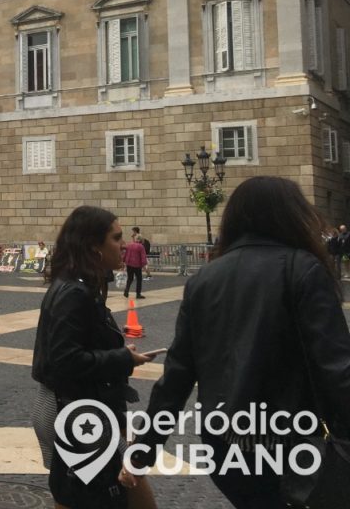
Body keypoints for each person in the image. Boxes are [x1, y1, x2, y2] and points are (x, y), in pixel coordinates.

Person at [121, 177, 350, 508]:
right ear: (291, 215)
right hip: (290, 444)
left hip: (224, 447)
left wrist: (143, 451)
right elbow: (337, 368)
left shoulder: (203, 279)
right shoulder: (303, 269)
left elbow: (177, 376)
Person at [31, 205, 155, 509]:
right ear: (93, 247)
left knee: (74, 496)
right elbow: (65, 362)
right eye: (116, 238)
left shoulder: (80, 288)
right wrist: (123, 359)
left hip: (86, 412)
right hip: (79, 416)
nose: (124, 245)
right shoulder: (74, 293)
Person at [122, 230, 147, 299]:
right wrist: (144, 265)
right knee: (139, 279)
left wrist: (123, 261)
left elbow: (125, 254)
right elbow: (143, 256)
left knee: (130, 278)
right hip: (137, 265)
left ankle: (126, 291)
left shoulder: (129, 245)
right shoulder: (140, 246)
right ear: (141, 240)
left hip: (129, 264)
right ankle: (138, 294)